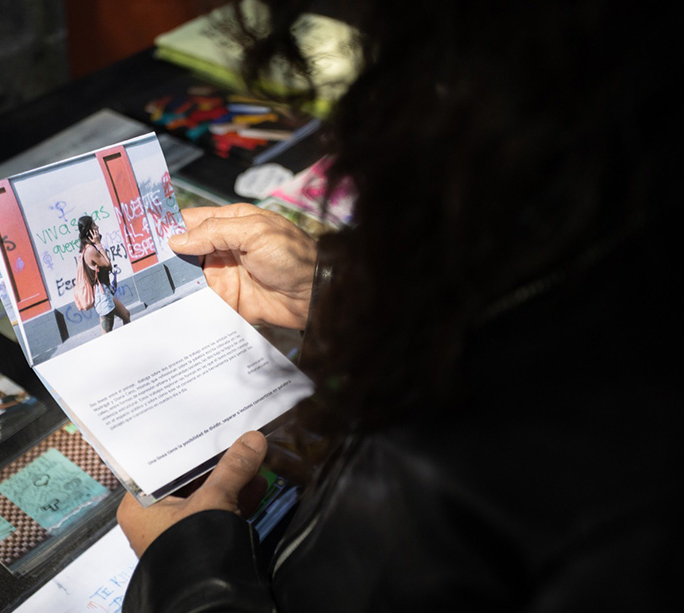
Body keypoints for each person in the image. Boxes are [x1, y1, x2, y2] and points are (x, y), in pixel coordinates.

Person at [116, 0, 681, 610]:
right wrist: (330, 293)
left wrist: (187, 572)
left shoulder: (559, 468)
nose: (352, 133)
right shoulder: (590, 255)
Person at [78, 215, 131, 334]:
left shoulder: (88, 248)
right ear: (89, 230)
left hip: (105, 292)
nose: (97, 227)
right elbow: (108, 264)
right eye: (94, 225)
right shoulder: (90, 250)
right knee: (107, 335)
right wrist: (99, 244)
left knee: (126, 315)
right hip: (102, 296)